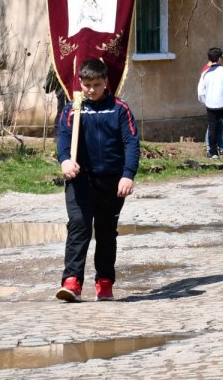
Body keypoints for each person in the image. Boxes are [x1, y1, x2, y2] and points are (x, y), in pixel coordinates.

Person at [55, 58, 139, 302]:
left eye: (96, 84)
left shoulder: (120, 109)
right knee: (79, 225)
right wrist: (64, 160)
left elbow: (131, 143)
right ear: (80, 83)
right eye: (87, 84)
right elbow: (63, 137)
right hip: (80, 179)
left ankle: (104, 281)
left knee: (105, 231)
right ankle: (72, 282)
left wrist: (127, 175)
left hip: (111, 182)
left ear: (106, 83)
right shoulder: (73, 109)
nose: (91, 89)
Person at [197, 47, 223, 159]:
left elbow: (200, 91)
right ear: (220, 58)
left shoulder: (205, 73)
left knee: (212, 128)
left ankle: (213, 153)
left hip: (211, 105)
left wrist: (206, 102)